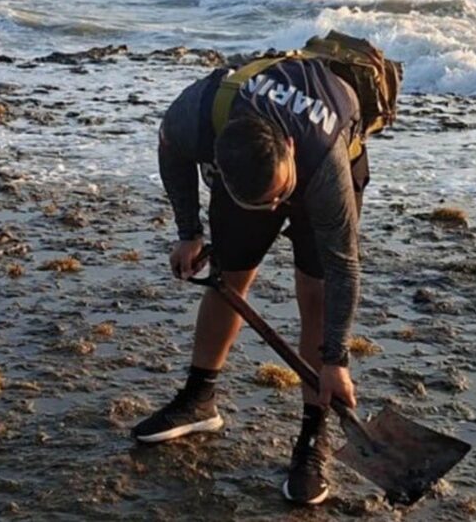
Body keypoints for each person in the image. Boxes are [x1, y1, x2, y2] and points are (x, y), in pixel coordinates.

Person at [132, 44, 379, 506]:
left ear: (288, 149)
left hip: (317, 161)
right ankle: (199, 399)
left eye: (277, 197)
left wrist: (336, 361)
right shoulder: (200, 114)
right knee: (230, 277)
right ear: (217, 164)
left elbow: (345, 266)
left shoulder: (322, 161)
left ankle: (314, 435)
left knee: (315, 292)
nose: (274, 209)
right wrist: (189, 232)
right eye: (264, 204)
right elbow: (170, 145)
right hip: (256, 164)